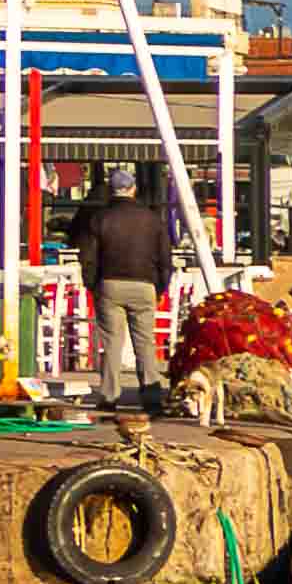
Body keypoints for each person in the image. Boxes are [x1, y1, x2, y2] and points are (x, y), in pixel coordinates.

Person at [74, 170, 177, 410]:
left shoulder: (100, 218)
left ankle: (110, 396)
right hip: (144, 285)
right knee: (145, 343)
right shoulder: (152, 219)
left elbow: (88, 257)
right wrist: (160, 287)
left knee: (112, 343)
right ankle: (151, 397)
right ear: (133, 189)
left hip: (110, 284)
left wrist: (92, 285)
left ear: (112, 191)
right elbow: (165, 259)